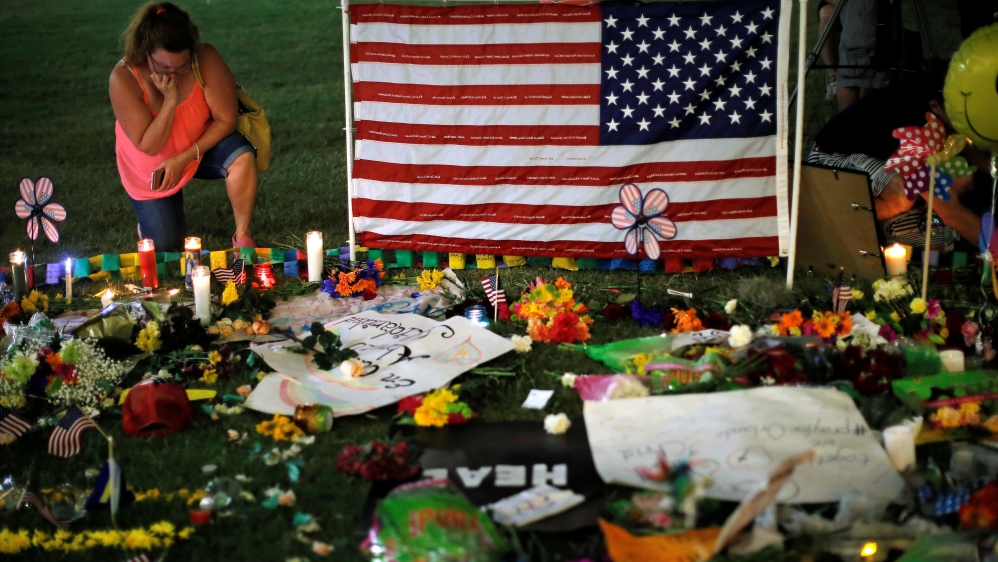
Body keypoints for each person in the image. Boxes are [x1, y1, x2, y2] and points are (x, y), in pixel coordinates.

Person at [110, 2, 257, 252]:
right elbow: (150, 145)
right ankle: (148, 220)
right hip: (153, 167)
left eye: (182, 65)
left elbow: (225, 119)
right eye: (165, 67)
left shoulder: (205, 58)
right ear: (146, 52)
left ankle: (243, 235)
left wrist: (185, 157)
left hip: (197, 145)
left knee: (241, 155)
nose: (174, 73)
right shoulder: (124, 78)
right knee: (168, 248)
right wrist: (170, 100)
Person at [809, 70, 992, 251]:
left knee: (943, 238)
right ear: (935, 107)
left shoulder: (955, 90)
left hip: (878, 164)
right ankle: (833, 224)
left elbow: (968, 150)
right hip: (830, 161)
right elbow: (950, 212)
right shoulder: (919, 132)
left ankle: (886, 229)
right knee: (902, 194)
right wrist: (995, 249)